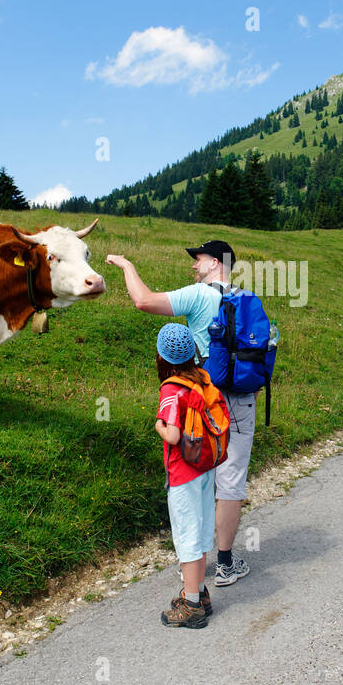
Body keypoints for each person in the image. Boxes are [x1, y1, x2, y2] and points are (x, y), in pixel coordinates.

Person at [106, 240, 254, 587]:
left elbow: (143, 300)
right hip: (242, 397)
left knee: (199, 475)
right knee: (230, 481)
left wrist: (126, 265)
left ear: (216, 263)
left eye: (198, 260)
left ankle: (195, 569)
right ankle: (226, 564)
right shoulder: (245, 299)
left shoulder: (198, 295)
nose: (193, 266)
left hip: (203, 397)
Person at [154, 323, 216, 628]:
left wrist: (159, 427)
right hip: (206, 467)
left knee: (187, 536)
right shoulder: (202, 378)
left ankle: (191, 606)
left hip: (183, 474)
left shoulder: (171, 388)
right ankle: (200, 592)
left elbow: (175, 435)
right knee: (201, 532)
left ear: (162, 357)